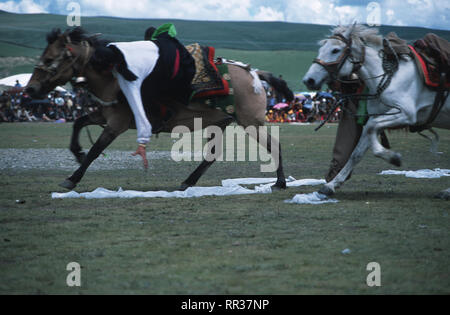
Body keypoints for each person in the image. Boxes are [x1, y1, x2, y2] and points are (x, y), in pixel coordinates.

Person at [90, 23, 195, 168]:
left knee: (148, 93)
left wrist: (142, 142)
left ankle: (161, 117)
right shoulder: (114, 47)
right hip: (166, 45)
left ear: (108, 67)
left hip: (176, 65)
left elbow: (138, 108)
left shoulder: (128, 78)